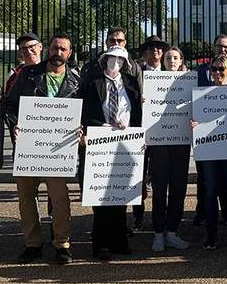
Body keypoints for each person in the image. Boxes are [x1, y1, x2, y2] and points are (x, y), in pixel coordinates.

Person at [2, 34, 80, 264]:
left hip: (58, 151)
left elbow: (82, 112)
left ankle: (62, 244)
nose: (58, 52)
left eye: (63, 49)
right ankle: (33, 244)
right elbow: (9, 104)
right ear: (48, 49)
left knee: (60, 198)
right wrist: (15, 124)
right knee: (27, 196)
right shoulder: (28, 75)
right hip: (28, 147)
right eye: (55, 47)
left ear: (69, 53)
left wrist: (81, 129)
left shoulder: (75, 80)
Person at [79, 45, 142, 260]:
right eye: (111, 58)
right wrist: (97, 126)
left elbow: (138, 112)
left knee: (120, 193)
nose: (115, 62)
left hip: (124, 143)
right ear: (104, 60)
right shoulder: (92, 84)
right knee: (101, 196)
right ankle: (101, 244)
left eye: (120, 59)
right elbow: (84, 112)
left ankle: (119, 241)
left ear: (125, 63)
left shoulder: (131, 84)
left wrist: (131, 126)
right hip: (100, 142)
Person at [191, 54, 227, 250]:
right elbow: (196, 120)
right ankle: (211, 235)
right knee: (210, 192)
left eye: (220, 69)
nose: (217, 73)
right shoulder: (201, 95)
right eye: (213, 69)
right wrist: (194, 124)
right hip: (209, 150)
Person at [149, 46, 191, 253]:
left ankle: (172, 232)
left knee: (178, 188)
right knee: (159, 189)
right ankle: (158, 233)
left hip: (181, 141)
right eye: (168, 58)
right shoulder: (152, 82)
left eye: (175, 57)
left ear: (181, 60)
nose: (172, 61)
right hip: (159, 143)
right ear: (163, 61)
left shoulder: (188, 82)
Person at [134, 35, 169, 231]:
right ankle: (138, 216)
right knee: (137, 175)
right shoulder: (136, 73)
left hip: (162, 132)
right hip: (140, 131)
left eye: (158, 47)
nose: (155, 50)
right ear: (145, 52)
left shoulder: (170, 73)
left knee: (160, 178)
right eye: (151, 47)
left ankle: (159, 217)